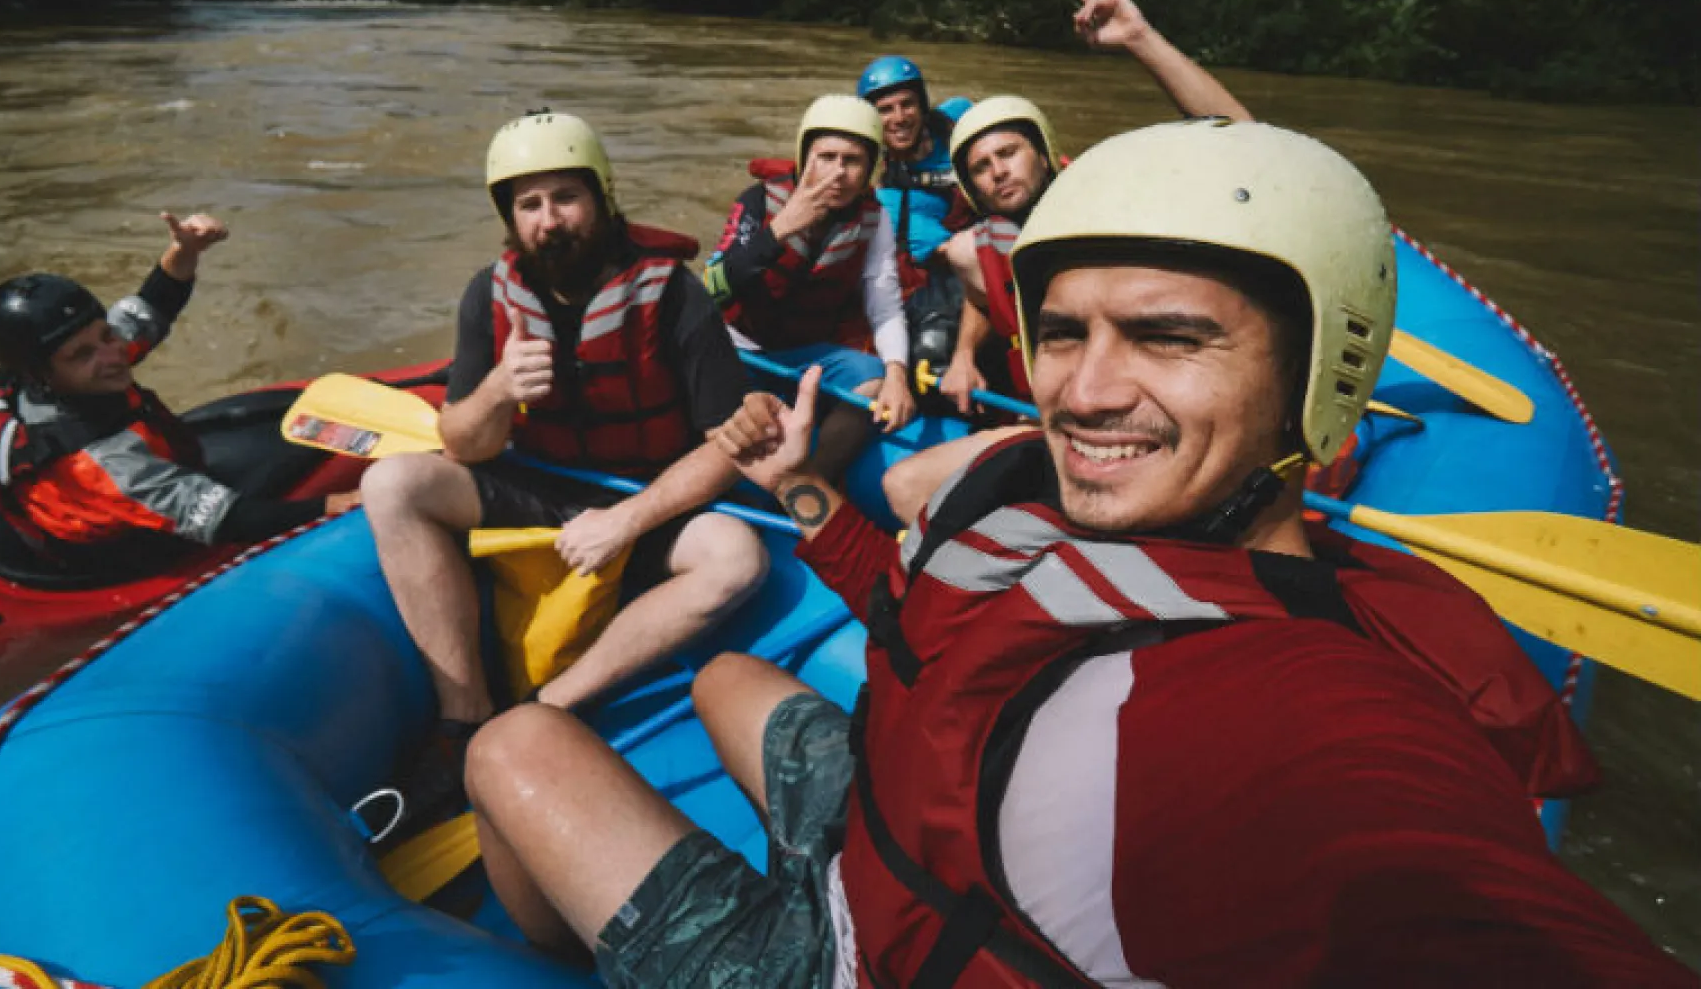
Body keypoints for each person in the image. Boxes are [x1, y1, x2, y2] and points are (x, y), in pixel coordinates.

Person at [458, 119, 1698, 987]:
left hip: (856, 957)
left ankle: (543, 961)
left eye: (1167, 338)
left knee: (511, 743)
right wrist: (802, 491)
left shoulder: (1306, 714)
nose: (1085, 393)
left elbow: (1454, 898)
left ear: (1320, 380)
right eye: (1061, 335)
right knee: (728, 679)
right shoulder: (1032, 501)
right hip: (884, 817)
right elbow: (917, 606)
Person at [360, 112, 769, 827]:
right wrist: (495, 391)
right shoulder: (488, 295)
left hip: (643, 498)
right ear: (510, 219)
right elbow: (461, 443)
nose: (550, 220)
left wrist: (628, 521)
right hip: (538, 487)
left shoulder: (673, 293)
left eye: (565, 197)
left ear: (603, 198)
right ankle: (464, 719)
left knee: (735, 556)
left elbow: (729, 442)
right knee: (391, 482)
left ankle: (550, 705)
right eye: (529, 204)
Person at [0, 214, 355, 581]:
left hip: (117, 488)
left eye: (105, 335)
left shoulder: (42, 374)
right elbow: (225, 520)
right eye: (83, 354)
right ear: (40, 373)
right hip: (128, 546)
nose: (113, 353)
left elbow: (151, 309)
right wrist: (337, 505)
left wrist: (185, 250)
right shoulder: (100, 461)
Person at [939, 0, 1255, 413]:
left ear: (1045, 154)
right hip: (1054, 411)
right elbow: (983, 295)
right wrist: (963, 354)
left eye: (1009, 153)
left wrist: (1139, 38)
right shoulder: (972, 251)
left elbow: (1242, 140)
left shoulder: (1112, 202)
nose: (998, 172)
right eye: (981, 168)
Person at [702, 94, 916, 481]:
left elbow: (883, 305)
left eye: (852, 161)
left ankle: (810, 482)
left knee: (873, 377)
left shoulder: (874, 218)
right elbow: (714, 289)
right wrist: (781, 228)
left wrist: (898, 375)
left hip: (805, 356)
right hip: (740, 349)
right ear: (805, 157)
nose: (837, 174)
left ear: (870, 169)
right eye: (826, 157)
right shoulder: (759, 201)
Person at [856, 55, 974, 369]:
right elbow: (957, 256)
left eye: (907, 104)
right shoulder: (892, 204)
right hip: (963, 265)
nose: (899, 117)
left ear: (922, 106)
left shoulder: (959, 117)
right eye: (885, 110)